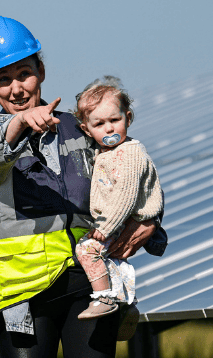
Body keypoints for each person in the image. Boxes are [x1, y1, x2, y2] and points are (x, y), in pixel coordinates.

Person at [0, 17, 167, 358]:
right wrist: (17, 126)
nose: (16, 88)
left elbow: (130, 176)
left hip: (88, 283)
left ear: (42, 71)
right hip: (19, 294)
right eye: (3, 79)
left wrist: (150, 224)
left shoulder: (81, 128)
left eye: (24, 73)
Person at [70, 76, 162, 321]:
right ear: (86, 129)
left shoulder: (129, 153)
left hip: (122, 219)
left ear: (128, 118)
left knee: (87, 250)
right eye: (99, 124)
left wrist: (106, 226)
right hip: (114, 220)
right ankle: (125, 308)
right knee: (112, 261)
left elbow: (126, 196)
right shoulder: (105, 153)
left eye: (115, 120)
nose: (109, 128)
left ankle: (103, 299)